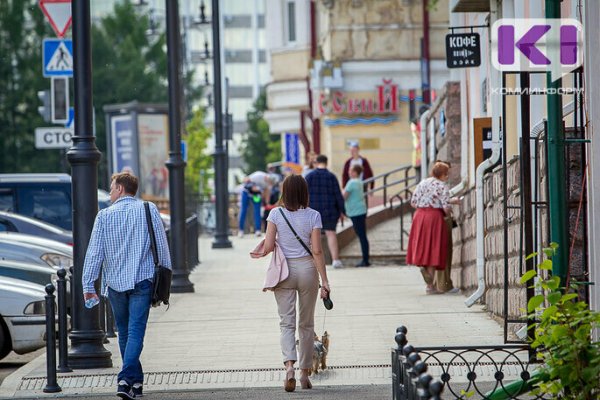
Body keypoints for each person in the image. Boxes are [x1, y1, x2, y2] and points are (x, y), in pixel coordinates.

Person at [82, 172, 171, 399]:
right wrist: (165, 282)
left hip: (114, 284)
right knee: (135, 332)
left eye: (112, 188)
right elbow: (161, 247)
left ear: (120, 188)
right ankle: (130, 381)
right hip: (142, 280)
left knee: (124, 332)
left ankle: (130, 380)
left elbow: (94, 253)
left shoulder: (103, 216)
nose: (110, 192)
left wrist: (88, 284)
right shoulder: (148, 209)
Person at [258, 174, 330, 392]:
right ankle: (305, 374)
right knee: (306, 324)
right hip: (308, 271)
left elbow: (269, 246)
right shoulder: (313, 216)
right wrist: (325, 281)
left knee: (286, 322)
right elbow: (317, 250)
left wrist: (267, 244)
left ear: (284, 192)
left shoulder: (275, 214)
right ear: (304, 193)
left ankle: (289, 366)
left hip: (284, 272)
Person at [406, 161, 460, 294]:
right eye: (446, 174)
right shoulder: (442, 186)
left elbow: (413, 202)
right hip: (434, 217)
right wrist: (449, 211)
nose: (447, 177)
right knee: (434, 248)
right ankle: (430, 286)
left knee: (423, 246)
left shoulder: (423, 182)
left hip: (419, 216)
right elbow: (446, 208)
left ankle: (429, 283)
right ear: (442, 175)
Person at [305, 155, 346, 268]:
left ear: (316, 162)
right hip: (330, 210)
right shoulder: (332, 177)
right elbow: (338, 195)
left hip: (313, 211)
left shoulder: (309, 176)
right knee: (331, 233)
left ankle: (312, 262)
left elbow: (304, 194)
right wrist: (343, 211)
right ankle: (335, 260)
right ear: (326, 163)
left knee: (313, 236)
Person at [343, 164, 370, 267]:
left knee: (361, 236)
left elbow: (344, 196)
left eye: (350, 170)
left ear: (355, 172)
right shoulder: (359, 182)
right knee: (363, 235)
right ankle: (366, 258)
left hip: (355, 212)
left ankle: (365, 260)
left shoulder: (352, 182)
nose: (349, 172)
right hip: (361, 211)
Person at [239, 171, 275, 238]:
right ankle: (241, 230)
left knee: (257, 211)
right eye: (269, 181)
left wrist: (267, 203)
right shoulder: (259, 175)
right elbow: (246, 179)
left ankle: (258, 230)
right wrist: (252, 186)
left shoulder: (268, 184)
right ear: (267, 177)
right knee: (243, 210)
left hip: (256, 195)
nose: (268, 183)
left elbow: (266, 192)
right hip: (246, 192)